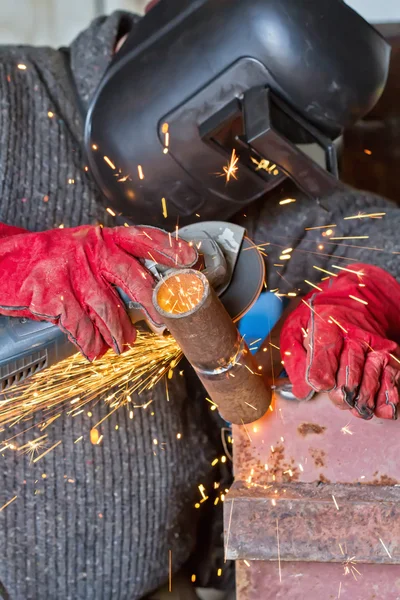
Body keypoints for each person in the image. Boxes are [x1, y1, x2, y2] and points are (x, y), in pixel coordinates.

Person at [0, 5, 399, 600]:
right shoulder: (14, 93)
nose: (236, 164)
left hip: (168, 582)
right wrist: (15, 261)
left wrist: (358, 299)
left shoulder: (255, 173)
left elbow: (369, 230)